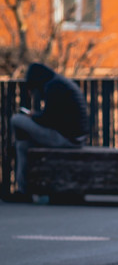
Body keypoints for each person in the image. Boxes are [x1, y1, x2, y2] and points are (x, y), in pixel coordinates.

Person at [6, 63, 89, 202]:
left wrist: (33, 116)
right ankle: (23, 145)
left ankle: (23, 190)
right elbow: (55, 117)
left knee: (16, 119)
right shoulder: (61, 82)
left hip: (65, 138)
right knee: (23, 147)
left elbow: (49, 119)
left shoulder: (53, 86)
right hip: (75, 137)